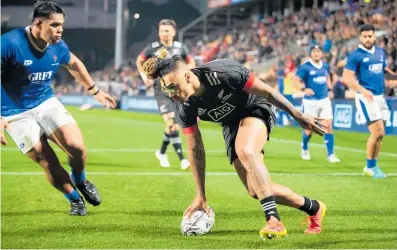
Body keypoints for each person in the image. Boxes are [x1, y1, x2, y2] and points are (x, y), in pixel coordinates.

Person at [142, 49, 327, 239]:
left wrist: (299, 116)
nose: (172, 94)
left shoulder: (224, 72)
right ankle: (314, 208)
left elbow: (269, 93)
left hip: (256, 107)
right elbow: (195, 148)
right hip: (230, 124)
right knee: (256, 190)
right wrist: (201, 194)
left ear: (188, 76)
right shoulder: (183, 105)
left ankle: (273, 220)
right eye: (167, 89)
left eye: (174, 86)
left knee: (246, 150)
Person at [0, 1, 116, 216]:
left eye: (61, 24)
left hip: (45, 102)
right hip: (13, 112)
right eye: (54, 25)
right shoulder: (8, 44)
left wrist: (95, 91)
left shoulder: (58, 45)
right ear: (37, 24)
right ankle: (74, 199)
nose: (60, 30)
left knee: (77, 147)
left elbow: (73, 64)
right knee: (45, 158)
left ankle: (80, 180)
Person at [136, 19, 194, 170]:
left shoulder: (181, 48)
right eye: (161, 31)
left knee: (174, 126)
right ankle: (182, 160)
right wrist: (144, 77)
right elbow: (139, 60)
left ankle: (161, 152)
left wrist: (189, 74)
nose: (164, 34)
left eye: (167, 31)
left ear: (174, 32)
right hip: (161, 91)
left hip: (178, 91)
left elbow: (191, 62)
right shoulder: (153, 48)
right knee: (172, 124)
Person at [342, 24, 397, 178]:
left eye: (370, 36)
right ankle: (369, 167)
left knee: (380, 135)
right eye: (365, 36)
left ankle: (373, 166)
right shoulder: (355, 55)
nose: (368, 39)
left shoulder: (380, 52)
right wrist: (363, 90)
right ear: (360, 37)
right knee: (378, 131)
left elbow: (383, 69)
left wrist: (392, 77)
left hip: (380, 97)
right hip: (366, 97)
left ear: (374, 36)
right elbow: (346, 78)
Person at [294, 45, 341, 163]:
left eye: (318, 51)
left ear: (321, 53)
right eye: (314, 51)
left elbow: (327, 78)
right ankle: (304, 147)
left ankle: (330, 154)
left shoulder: (325, 65)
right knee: (310, 129)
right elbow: (295, 80)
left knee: (328, 126)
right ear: (310, 53)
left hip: (324, 100)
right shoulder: (305, 67)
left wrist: (330, 89)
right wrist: (304, 89)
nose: (316, 54)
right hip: (310, 102)